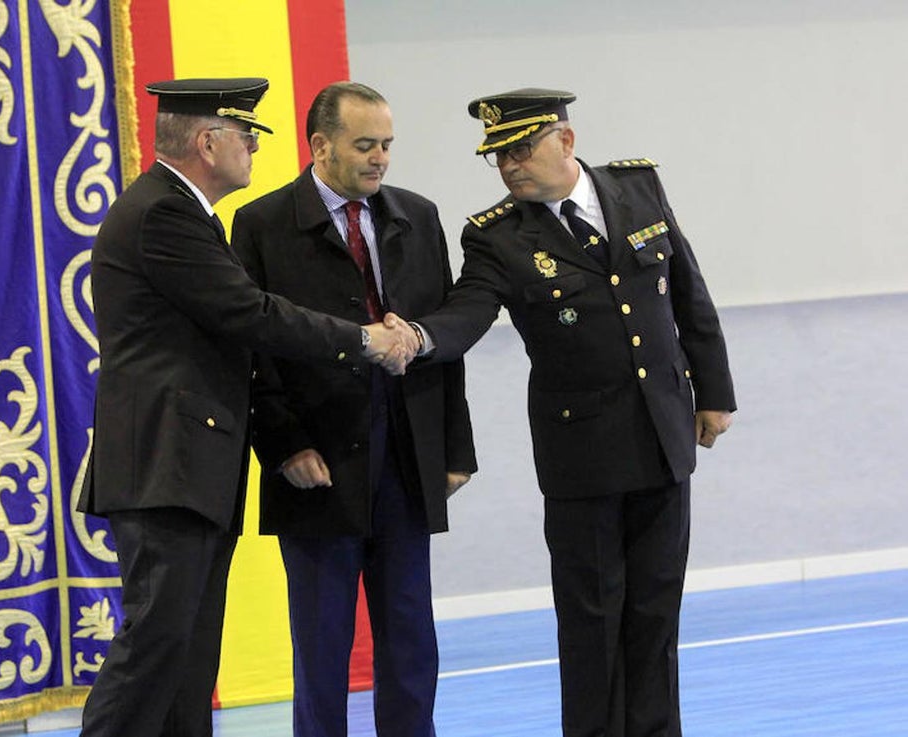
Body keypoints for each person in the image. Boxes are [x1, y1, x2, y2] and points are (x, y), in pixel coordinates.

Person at [76, 77, 418, 737]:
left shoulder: (182, 211)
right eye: (247, 137)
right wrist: (363, 340)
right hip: (165, 469)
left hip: (189, 468)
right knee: (156, 649)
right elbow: (251, 313)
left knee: (187, 659)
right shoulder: (164, 213)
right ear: (210, 141)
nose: (255, 151)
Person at [414, 88, 736, 737]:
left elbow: (688, 294)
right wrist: (418, 338)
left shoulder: (638, 187)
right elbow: (467, 313)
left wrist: (715, 390)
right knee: (592, 623)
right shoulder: (496, 235)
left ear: (565, 140)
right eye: (497, 156)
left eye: (520, 149)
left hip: (662, 436)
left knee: (655, 615)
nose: (509, 166)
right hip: (582, 458)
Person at [230, 81, 476, 737]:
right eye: (364, 145)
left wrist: (454, 447)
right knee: (322, 644)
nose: (380, 159)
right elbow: (252, 351)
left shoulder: (417, 215)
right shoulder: (260, 224)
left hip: (405, 459)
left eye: (387, 145)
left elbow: (443, 334)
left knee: (411, 637)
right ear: (320, 146)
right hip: (319, 464)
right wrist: (283, 447)